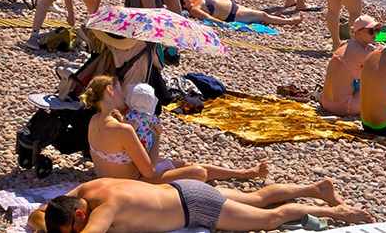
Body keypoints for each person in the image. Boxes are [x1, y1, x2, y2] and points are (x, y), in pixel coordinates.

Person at [79, 76, 268, 185]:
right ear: (110, 90)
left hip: (110, 177)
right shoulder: (123, 129)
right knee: (198, 173)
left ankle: (244, 173)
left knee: (187, 164)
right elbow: (149, 171)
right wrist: (156, 136)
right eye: (120, 90)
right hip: (132, 182)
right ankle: (244, 173)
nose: (123, 96)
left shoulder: (94, 120)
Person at [28, 177, 372, 233]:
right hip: (183, 189)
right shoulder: (88, 189)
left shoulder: (105, 208)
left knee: (270, 218)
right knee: (257, 197)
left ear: (80, 214)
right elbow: (36, 215)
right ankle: (315, 188)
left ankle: (334, 212)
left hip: (197, 208)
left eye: (75, 229)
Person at [321, 14, 380, 116]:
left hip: (325, 101)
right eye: (371, 31)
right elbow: (384, 67)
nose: (374, 34)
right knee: (381, 82)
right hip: (343, 106)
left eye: (376, 31)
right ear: (358, 33)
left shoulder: (344, 44)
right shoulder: (361, 53)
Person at [182, 0, 302, 27]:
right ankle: (291, 21)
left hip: (234, 7)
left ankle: (274, 16)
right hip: (233, 15)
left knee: (258, 14)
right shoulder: (194, 10)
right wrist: (224, 24)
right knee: (263, 15)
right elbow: (208, 18)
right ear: (183, 4)